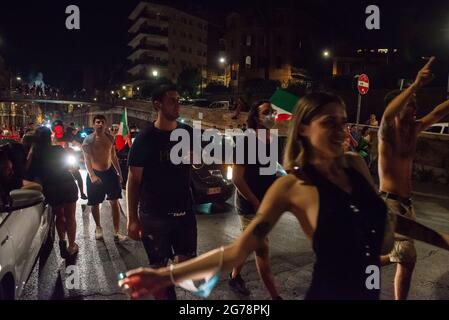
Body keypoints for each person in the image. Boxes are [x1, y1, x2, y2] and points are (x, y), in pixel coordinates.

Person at [119, 92, 449, 300]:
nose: (341, 130)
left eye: (344, 122)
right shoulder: (293, 187)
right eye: (329, 122)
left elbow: (390, 220)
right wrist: (163, 275)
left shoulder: (356, 166)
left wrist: (442, 239)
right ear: (304, 128)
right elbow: (237, 251)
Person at [378, 57, 449, 300]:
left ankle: (356, 263)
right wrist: (416, 84)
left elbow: (437, 113)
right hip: (389, 203)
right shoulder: (387, 131)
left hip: (407, 205)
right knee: (407, 256)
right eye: (410, 103)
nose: (415, 106)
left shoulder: (414, 129)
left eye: (415, 103)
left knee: (404, 259)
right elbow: (388, 114)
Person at [126, 84, 197, 300]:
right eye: (172, 100)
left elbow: (195, 162)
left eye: (179, 100)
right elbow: (134, 180)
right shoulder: (145, 140)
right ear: (158, 104)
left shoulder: (187, 133)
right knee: (158, 268)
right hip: (154, 214)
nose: (178, 104)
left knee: (184, 265)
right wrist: (132, 218)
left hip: (184, 211)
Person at [229, 100, 281, 299]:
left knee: (248, 244)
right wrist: (256, 201)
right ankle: (275, 296)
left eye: (273, 111)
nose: (272, 115)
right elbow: (237, 178)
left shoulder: (273, 140)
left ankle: (234, 276)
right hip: (249, 205)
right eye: (266, 112)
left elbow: (271, 171)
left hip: (265, 205)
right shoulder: (246, 141)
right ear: (256, 118)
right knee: (262, 248)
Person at [27, 127, 79, 258]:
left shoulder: (36, 155)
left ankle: (62, 240)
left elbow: (29, 172)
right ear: (50, 137)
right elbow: (70, 167)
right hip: (67, 184)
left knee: (59, 216)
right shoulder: (58, 149)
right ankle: (72, 246)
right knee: (70, 216)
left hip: (51, 189)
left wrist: (32, 150)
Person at [81, 115, 126, 242]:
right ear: (94, 124)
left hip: (110, 173)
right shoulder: (88, 140)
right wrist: (92, 175)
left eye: (102, 122)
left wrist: (119, 173)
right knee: (95, 204)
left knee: (114, 202)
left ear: (105, 124)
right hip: (95, 174)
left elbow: (113, 156)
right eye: (97, 122)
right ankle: (98, 228)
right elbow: (87, 160)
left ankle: (116, 232)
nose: (100, 124)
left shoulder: (110, 138)